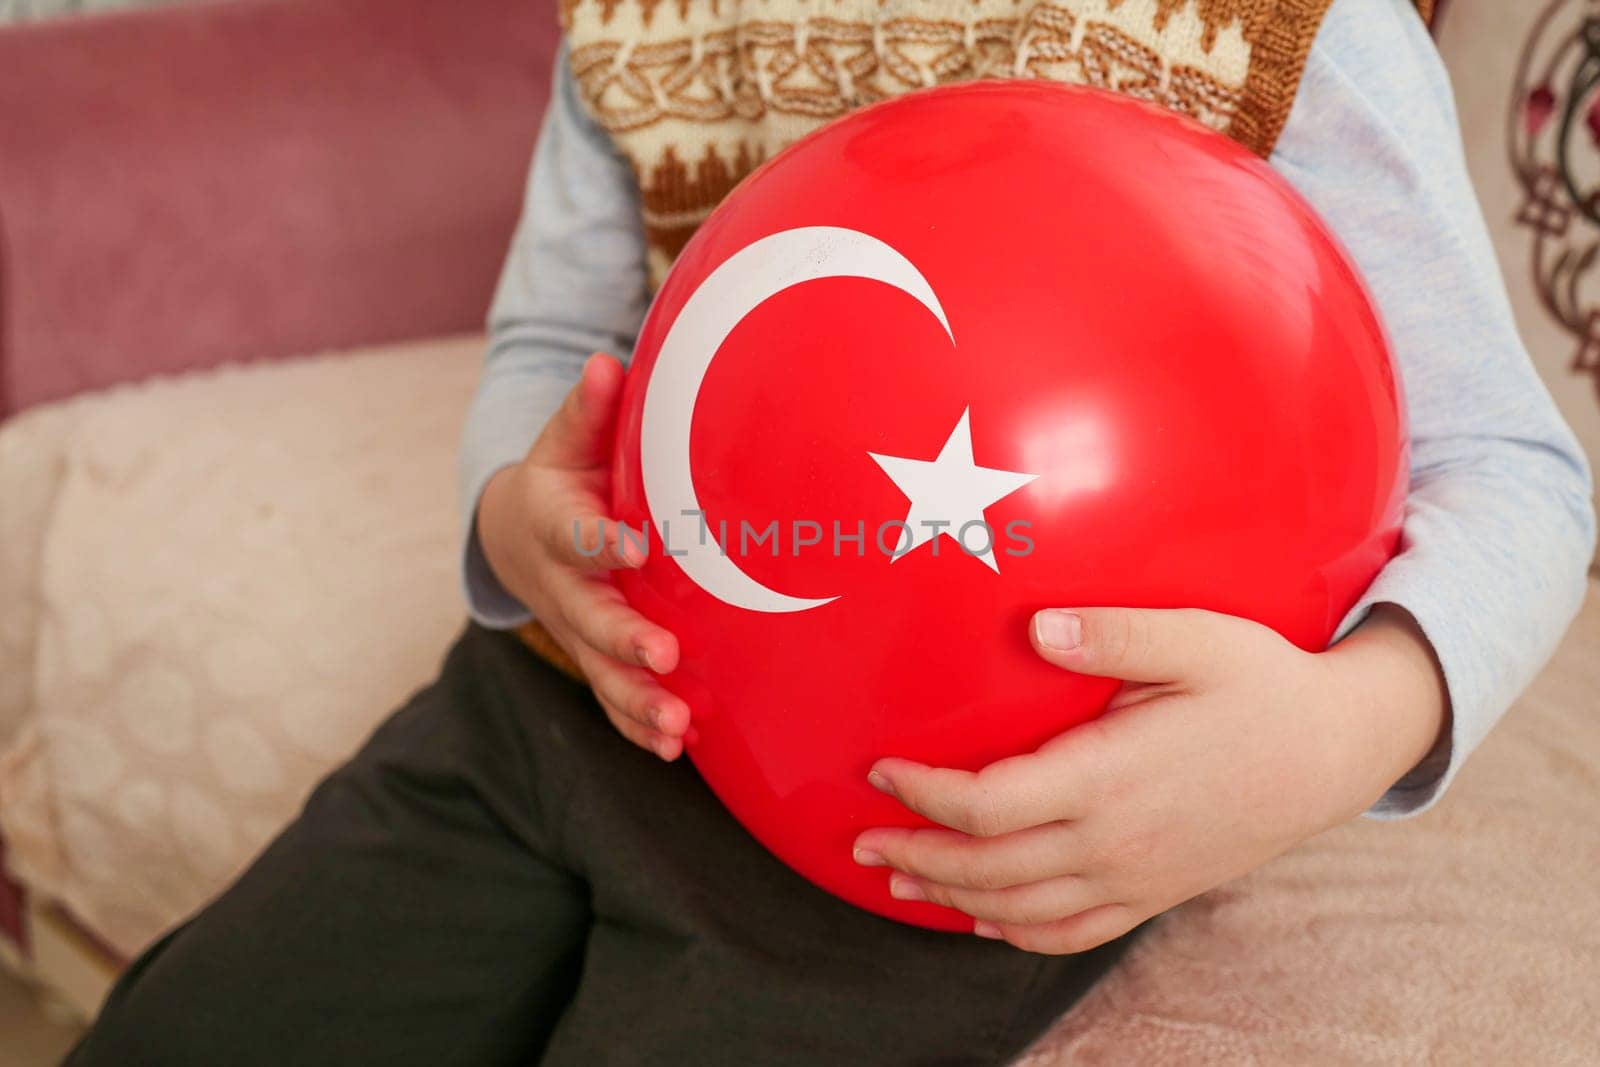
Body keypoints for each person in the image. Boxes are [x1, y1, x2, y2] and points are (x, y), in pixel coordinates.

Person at [66, 0, 1596, 1063]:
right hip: (558, 716)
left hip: (934, 853)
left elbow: (1522, 475)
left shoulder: (1295, 36)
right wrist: (512, 515)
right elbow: (553, 343)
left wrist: (1341, 728)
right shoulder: (638, 29)